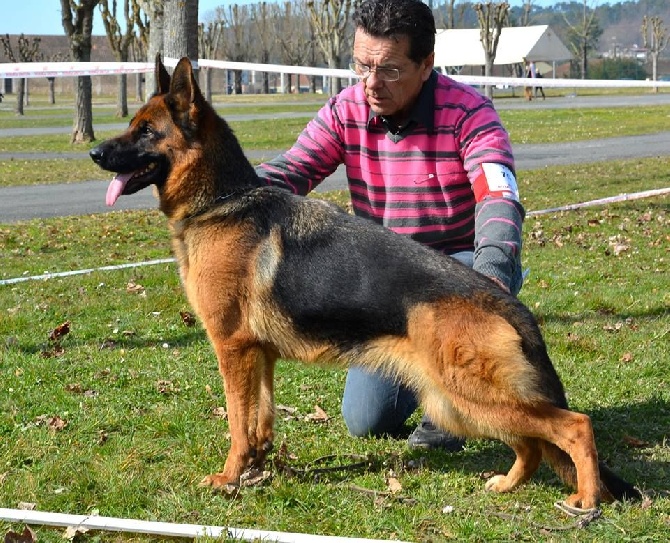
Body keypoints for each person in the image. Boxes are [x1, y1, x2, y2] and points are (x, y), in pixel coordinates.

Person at [256, 0, 524, 452]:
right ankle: (441, 386)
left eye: (390, 70)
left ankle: (454, 403)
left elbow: (498, 197)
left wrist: (490, 278)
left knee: (459, 374)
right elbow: (291, 171)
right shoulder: (346, 110)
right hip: (387, 279)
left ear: (426, 65)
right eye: (362, 66)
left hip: (458, 268)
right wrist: (223, 188)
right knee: (367, 421)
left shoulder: (471, 114)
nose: (372, 83)